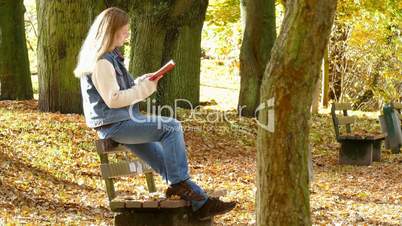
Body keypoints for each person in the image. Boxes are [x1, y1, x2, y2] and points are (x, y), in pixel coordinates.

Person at [73, 7, 236, 221]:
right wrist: (145, 89)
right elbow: (113, 100)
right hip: (115, 124)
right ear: (110, 31)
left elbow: (120, 90)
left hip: (123, 121)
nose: (127, 34)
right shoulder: (102, 62)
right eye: (124, 30)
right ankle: (182, 187)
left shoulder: (110, 58)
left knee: (163, 162)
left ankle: (202, 203)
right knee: (171, 127)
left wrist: (142, 81)